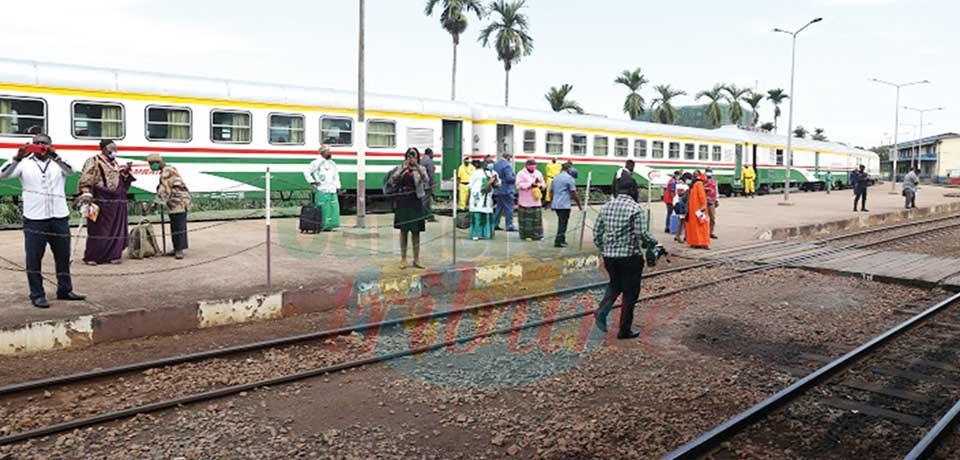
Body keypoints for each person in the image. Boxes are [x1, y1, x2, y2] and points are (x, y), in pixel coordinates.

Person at [0, 134, 85, 308]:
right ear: (31, 145)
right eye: (37, 143)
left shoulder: (58, 162)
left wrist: (55, 155)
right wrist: (17, 157)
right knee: (34, 258)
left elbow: (71, 171)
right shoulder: (24, 163)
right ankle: (37, 294)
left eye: (44, 143)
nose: (41, 146)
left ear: (50, 145)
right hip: (35, 219)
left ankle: (65, 290)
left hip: (59, 216)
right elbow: (3, 175)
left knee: (63, 256)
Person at [592, 179, 657, 339]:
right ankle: (624, 330)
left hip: (610, 257)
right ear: (632, 190)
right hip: (630, 257)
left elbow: (597, 232)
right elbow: (642, 233)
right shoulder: (635, 208)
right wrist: (652, 242)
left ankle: (602, 311)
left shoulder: (607, 206)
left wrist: (604, 248)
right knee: (630, 293)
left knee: (615, 284)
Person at [77, 139, 135, 265]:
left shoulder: (115, 163)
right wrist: (86, 191)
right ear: (103, 149)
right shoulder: (94, 160)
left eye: (115, 148)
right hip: (101, 199)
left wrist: (125, 171)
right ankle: (93, 256)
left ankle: (113, 254)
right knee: (98, 228)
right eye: (111, 148)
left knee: (116, 227)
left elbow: (117, 178)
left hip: (117, 200)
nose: (114, 151)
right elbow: (86, 177)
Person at [386, 148, 429, 269]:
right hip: (403, 201)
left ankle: (416, 259)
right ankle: (403, 259)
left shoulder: (421, 168)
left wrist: (417, 166)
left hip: (416, 200)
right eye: (409, 156)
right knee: (403, 231)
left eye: (414, 155)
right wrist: (403, 169)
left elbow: (426, 180)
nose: (411, 158)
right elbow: (393, 180)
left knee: (416, 232)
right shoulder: (401, 168)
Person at [147, 154, 192, 259]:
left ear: (156, 162)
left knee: (178, 225)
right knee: (175, 225)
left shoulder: (166, 172)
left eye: (150, 164)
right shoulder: (168, 169)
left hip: (179, 201)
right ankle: (177, 248)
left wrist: (154, 205)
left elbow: (164, 190)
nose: (150, 167)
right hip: (175, 201)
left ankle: (179, 250)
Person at [303, 145, 341, 231]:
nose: (329, 153)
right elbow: (306, 171)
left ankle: (331, 225)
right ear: (322, 153)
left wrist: (338, 187)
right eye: (327, 151)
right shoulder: (316, 163)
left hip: (332, 189)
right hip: (322, 189)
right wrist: (312, 181)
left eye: (329, 151)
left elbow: (336, 176)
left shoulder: (333, 163)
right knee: (323, 208)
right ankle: (322, 225)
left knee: (333, 208)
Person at [550, 162, 582, 248]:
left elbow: (551, 192)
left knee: (561, 221)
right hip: (564, 204)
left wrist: (551, 203)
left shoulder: (555, 178)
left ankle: (562, 239)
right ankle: (558, 241)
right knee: (563, 223)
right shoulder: (569, 178)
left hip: (556, 204)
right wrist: (579, 204)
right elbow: (573, 193)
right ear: (568, 169)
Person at [468, 157, 500, 240]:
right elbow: (470, 185)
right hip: (477, 198)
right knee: (477, 216)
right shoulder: (476, 173)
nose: (491, 164)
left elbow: (498, 185)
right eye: (489, 162)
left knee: (486, 216)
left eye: (492, 162)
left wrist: (495, 181)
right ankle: (475, 234)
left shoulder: (494, 173)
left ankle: (486, 234)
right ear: (484, 163)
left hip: (487, 199)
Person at [516, 159, 546, 240]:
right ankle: (525, 235)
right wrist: (530, 185)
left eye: (534, 165)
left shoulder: (538, 173)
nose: (533, 167)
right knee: (525, 220)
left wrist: (540, 185)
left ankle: (537, 235)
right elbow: (518, 185)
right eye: (531, 165)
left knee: (536, 220)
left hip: (536, 200)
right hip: (525, 201)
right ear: (527, 165)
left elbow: (543, 184)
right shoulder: (521, 173)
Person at [492, 152, 517, 232]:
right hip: (506, 190)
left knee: (499, 208)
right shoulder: (507, 166)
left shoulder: (496, 164)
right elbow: (509, 178)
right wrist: (516, 178)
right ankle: (509, 226)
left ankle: (495, 224)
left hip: (498, 189)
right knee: (509, 208)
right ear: (508, 157)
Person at [686, 173, 711, 249]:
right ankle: (703, 242)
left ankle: (694, 243)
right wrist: (703, 206)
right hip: (699, 210)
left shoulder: (693, 185)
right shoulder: (699, 184)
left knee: (693, 227)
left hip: (692, 210)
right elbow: (702, 196)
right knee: (703, 226)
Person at [674, 173, 691, 243]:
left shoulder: (677, 185)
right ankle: (681, 236)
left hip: (677, 204)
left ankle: (679, 236)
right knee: (683, 222)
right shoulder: (686, 187)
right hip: (683, 205)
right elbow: (685, 197)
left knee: (680, 221)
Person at [421, 148, 437, 222]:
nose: (433, 155)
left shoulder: (422, 160)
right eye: (432, 153)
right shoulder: (429, 161)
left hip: (421, 184)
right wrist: (433, 185)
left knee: (426, 201)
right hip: (427, 185)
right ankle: (424, 216)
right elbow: (431, 174)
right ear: (430, 153)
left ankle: (429, 216)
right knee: (425, 201)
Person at [705, 168, 719, 239]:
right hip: (704, 201)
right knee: (703, 218)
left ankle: (710, 232)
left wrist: (717, 199)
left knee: (712, 218)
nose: (709, 173)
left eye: (710, 172)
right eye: (707, 172)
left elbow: (716, 190)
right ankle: (704, 232)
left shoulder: (714, 180)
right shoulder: (703, 180)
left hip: (712, 200)